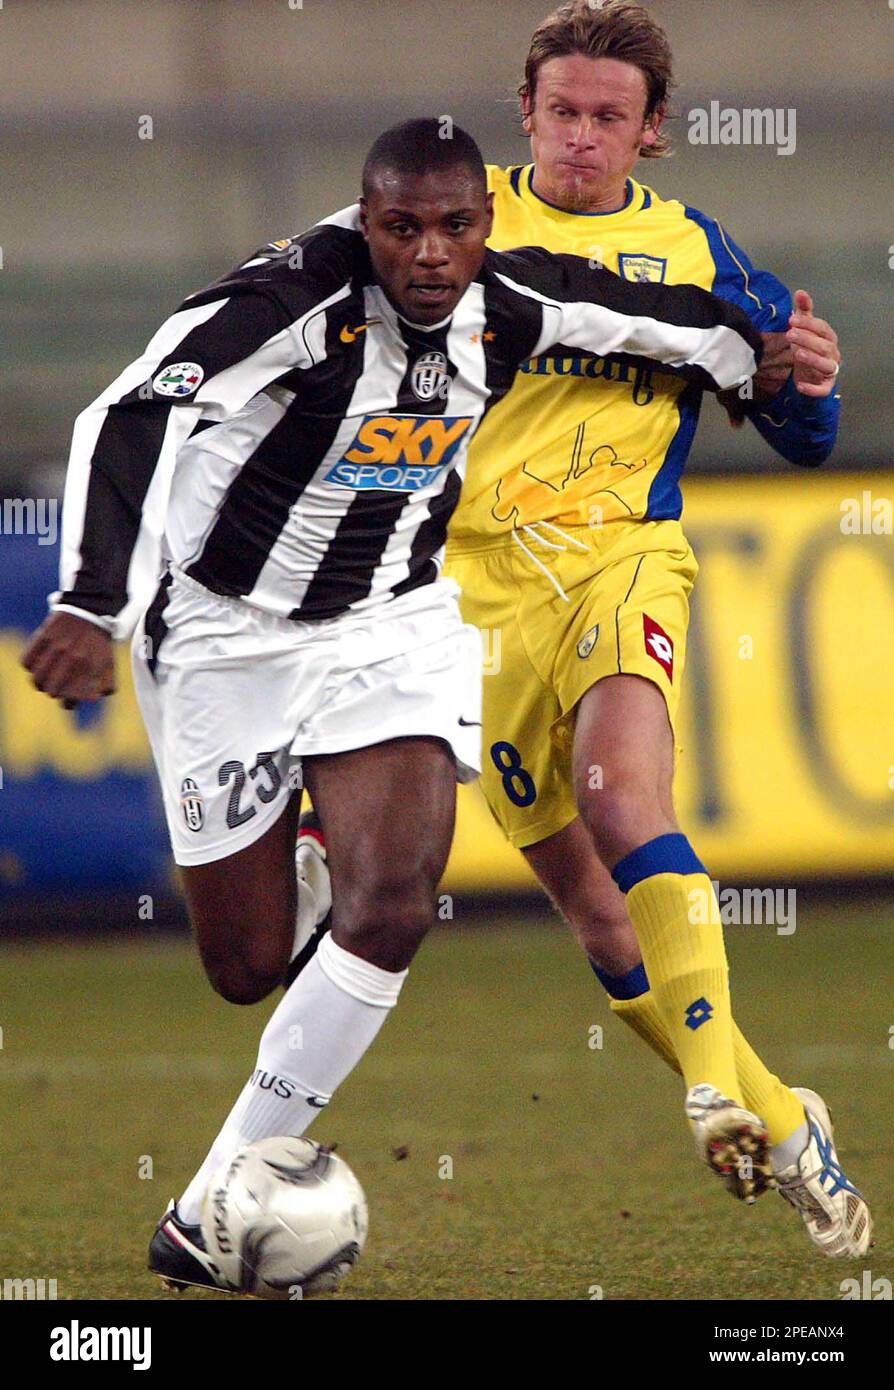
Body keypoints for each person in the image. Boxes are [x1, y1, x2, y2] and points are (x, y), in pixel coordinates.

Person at [21, 118, 762, 1294]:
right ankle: (299, 885)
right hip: (222, 636)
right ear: (364, 222)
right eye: (401, 227)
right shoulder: (286, 303)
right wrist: (90, 602)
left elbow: (654, 317)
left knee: (400, 899)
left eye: (456, 226)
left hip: (388, 622)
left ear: (483, 226)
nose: (429, 253)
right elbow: (125, 415)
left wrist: (765, 358)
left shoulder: (505, 302)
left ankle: (214, 1197)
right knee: (245, 963)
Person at [296, 1, 869, 1260]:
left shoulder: (695, 250)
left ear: (653, 130)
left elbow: (791, 418)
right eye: (563, 112)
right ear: (529, 114)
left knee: (625, 801)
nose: (582, 138)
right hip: (462, 600)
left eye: (611, 118)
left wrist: (810, 379)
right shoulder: (460, 229)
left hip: (619, 561)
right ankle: (779, 1112)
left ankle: (713, 1088)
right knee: (600, 922)